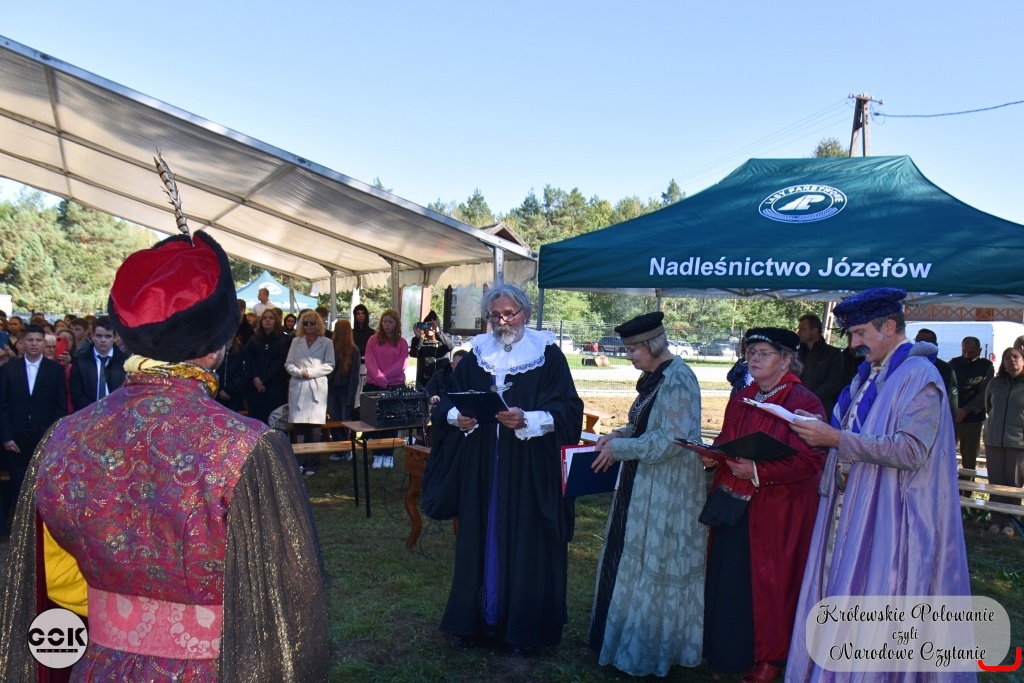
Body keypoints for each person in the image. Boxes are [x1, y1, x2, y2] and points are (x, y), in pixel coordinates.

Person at [0, 227, 328, 681]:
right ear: (214, 348)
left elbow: (55, 588)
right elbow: (287, 599)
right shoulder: (247, 447)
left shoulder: (62, 438)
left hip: (99, 667)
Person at [786, 288, 972, 683]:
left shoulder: (919, 376)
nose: (853, 343)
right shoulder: (873, 372)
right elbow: (860, 429)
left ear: (889, 327)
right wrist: (821, 428)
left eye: (859, 333)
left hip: (895, 515)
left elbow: (911, 450)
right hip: (857, 506)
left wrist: (836, 439)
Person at [422, 283, 583, 655]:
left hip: (529, 468)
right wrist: (457, 416)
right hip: (482, 465)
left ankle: (523, 629)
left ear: (525, 313)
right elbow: (448, 399)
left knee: (526, 540)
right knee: (477, 537)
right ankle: (473, 621)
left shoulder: (548, 355)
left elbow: (568, 410)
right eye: (495, 315)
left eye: (509, 314)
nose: (502, 321)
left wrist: (528, 419)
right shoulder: (478, 354)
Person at [699, 328, 825, 683]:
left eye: (764, 353)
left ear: (786, 360)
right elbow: (727, 439)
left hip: (779, 510)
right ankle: (727, 651)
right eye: (751, 352)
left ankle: (771, 656)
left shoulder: (803, 402)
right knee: (730, 575)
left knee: (771, 584)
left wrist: (759, 470)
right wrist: (712, 455)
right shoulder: (743, 396)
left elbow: (811, 462)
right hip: (733, 502)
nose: (754, 359)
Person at [588, 312, 706, 677]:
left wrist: (621, 449)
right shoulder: (655, 377)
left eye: (632, 350)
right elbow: (643, 426)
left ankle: (649, 649)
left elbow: (671, 441)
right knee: (630, 557)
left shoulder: (679, 378)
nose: (628, 356)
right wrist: (620, 434)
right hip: (643, 480)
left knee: (656, 563)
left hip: (668, 487)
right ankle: (623, 640)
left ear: (652, 345)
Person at [285, 309, 336, 476]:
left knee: (314, 429)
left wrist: (311, 372)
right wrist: (300, 372)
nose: (308, 326)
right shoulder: (296, 341)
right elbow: (288, 363)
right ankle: (299, 462)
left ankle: (313, 463)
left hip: (316, 386)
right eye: (305, 323)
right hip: (299, 385)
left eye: (312, 323)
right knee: (299, 428)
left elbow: (330, 364)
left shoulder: (327, 342)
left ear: (318, 324)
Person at [983, 346, 1024, 536]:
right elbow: (988, 406)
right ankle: (996, 521)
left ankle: (1011, 523)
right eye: (1007, 357)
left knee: (1013, 485)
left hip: (1018, 443)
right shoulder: (995, 383)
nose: (1011, 360)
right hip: (993, 441)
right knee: (995, 483)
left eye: (1015, 357)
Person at [363, 308, 409, 468]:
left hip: (394, 385)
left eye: (390, 321)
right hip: (374, 385)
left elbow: (402, 363)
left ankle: (388, 454)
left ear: (396, 324)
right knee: (375, 420)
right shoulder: (372, 340)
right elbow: (369, 360)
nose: (387, 324)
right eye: (384, 321)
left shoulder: (402, 342)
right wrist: (379, 377)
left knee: (391, 420)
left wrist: (384, 377)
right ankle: (377, 453)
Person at [949, 336, 994, 482]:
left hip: (973, 418)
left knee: (969, 458)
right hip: (953, 415)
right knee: (946, 452)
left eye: (971, 352)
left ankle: (967, 488)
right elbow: (947, 387)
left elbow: (985, 393)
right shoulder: (954, 363)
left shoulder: (986, 366)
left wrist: (966, 410)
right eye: (964, 351)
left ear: (979, 350)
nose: (967, 355)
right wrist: (955, 409)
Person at [68, 315, 128, 412]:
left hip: (117, 413)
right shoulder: (80, 361)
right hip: (87, 413)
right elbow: (77, 394)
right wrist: (97, 410)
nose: (103, 340)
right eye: (99, 336)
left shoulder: (125, 362)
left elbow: (127, 392)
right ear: (92, 336)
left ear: (114, 337)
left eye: (108, 336)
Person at [245, 307, 290, 424]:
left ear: (276, 321)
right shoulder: (254, 339)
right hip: (254, 385)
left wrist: (263, 379)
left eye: (271, 318)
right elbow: (249, 360)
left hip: (275, 385)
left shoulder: (283, 339)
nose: (267, 320)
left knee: (272, 420)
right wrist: (256, 378)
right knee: (255, 420)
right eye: (264, 318)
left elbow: (280, 362)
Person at [796, 313, 845, 416]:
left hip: (820, 409)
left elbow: (832, 383)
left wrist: (810, 398)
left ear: (814, 331)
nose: (798, 332)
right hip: (795, 405)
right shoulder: (796, 352)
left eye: (802, 329)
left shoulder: (833, 353)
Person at [327, 319, 361, 448]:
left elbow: (354, 376)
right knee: (334, 419)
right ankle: (338, 448)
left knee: (344, 419)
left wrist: (350, 396)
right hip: (333, 389)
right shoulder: (330, 347)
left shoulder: (353, 350)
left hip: (345, 390)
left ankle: (345, 448)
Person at [914, 327, 958, 421]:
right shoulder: (906, 366)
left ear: (935, 345)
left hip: (934, 421)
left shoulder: (944, 369)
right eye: (918, 341)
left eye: (926, 342)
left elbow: (951, 402)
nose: (921, 345)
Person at [409, 310, 454, 389]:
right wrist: (418, 338)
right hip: (425, 379)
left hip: (442, 378)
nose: (430, 328)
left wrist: (438, 332)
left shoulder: (443, 338)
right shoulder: (420, 340)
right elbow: (414, 353)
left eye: (432, 325)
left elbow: (450, 346)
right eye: (427, 325)